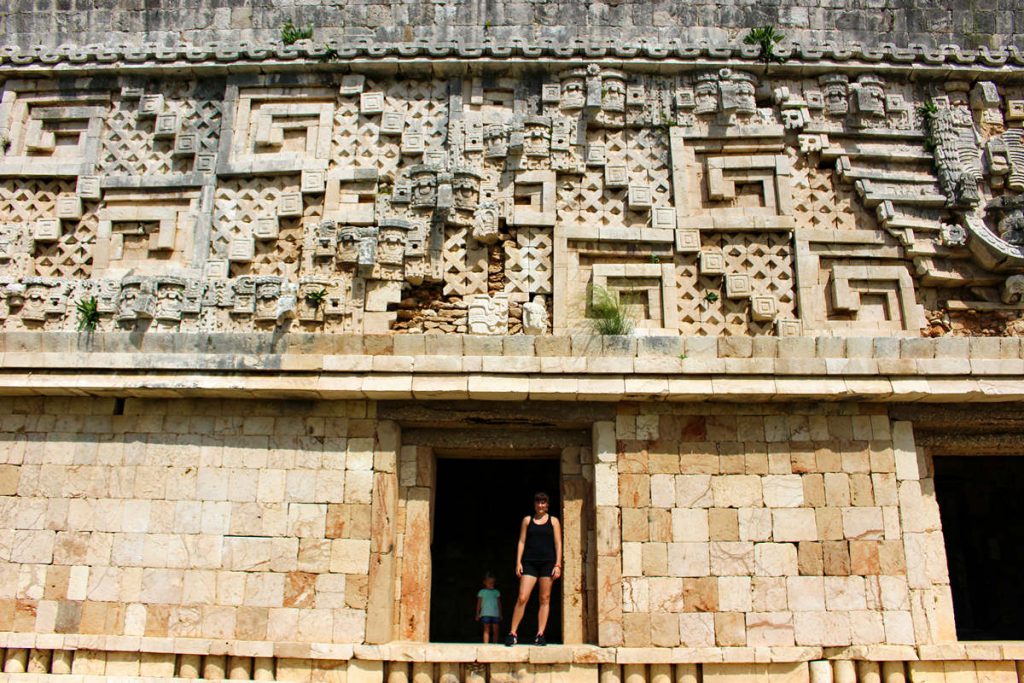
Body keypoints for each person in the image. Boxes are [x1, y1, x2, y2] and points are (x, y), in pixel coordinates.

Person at [505, 492, 562, 646]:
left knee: (545, 598)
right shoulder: (527, 520)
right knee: (522, 596)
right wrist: (518, 562)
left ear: (547, 505)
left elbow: (558, 543)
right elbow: (521, 541)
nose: (540, 505)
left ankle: (540, 634)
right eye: (538, 503)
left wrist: (558, 564)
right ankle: (512, 633)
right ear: (534, 504)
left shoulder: (554, 521)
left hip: (547, 563)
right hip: (529, 562)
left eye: (543, 503)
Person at [475, 572, 502, 643]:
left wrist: (500, 614)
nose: (491, 584)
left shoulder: (496, 592)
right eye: (489, 582)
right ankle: (486, 645)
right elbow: (478, 604)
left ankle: (495, 644)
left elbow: (499, 604)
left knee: (496, 630)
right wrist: (477, 614)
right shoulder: (482, 592)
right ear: (485, 582)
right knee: (486, 630)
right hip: (485, 614)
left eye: (492, 582)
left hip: (495, 614)